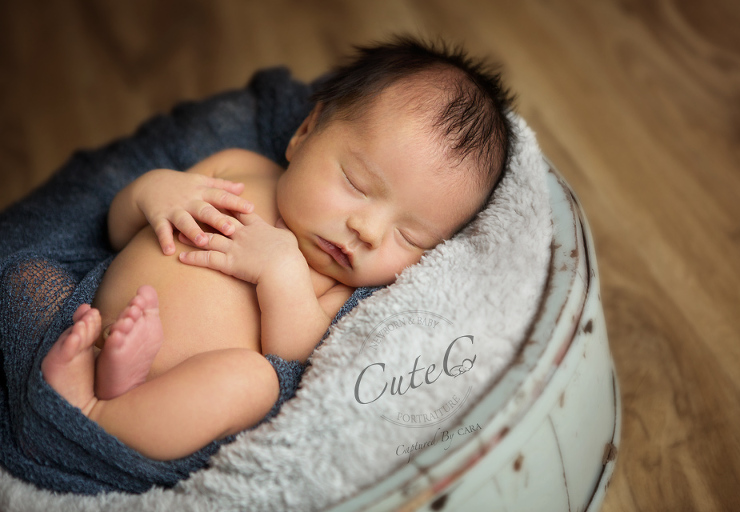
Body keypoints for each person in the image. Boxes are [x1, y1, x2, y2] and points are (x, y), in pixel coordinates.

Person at [40, 37, 516, 461]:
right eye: (356, 183)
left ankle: (97, 414)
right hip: (101, 329)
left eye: (410, 237)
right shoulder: (238, 167)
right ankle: (112, 377)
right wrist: (152, 192)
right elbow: (120, 232)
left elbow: (296, 357)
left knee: (256, 382)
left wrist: (281, 270)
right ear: (305, 133)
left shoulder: (333, 283)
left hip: (180, 399)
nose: (367, 230)